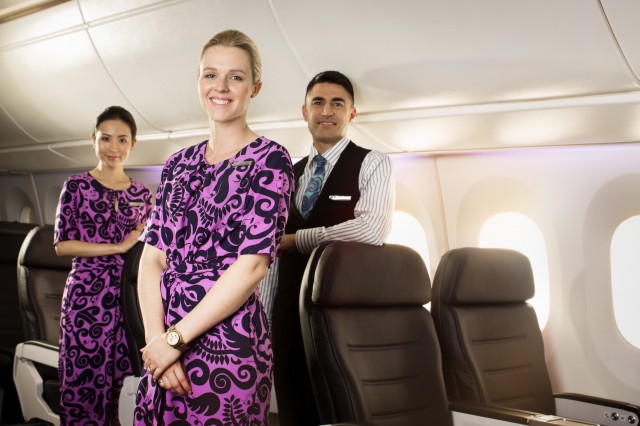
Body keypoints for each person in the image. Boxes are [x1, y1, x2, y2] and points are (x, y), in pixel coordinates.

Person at [133, 29, 294, 424]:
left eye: (235, 77)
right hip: (164, 347)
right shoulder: (176, 164)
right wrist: (158, 344)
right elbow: (152, 258)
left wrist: (175, 340)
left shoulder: (270, 161)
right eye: (210, 74)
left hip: (229, 349)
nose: (220, 87)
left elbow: (252, 266)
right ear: (198, 81)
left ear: (255, 87)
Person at [261, 70, 395, 426]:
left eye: (338, 103)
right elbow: (273, 255)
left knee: (338, 414)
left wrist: (300, 239)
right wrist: (265, 322)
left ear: (351, 114)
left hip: (344, 319)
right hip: (289, 317)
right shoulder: (289, 173)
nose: (327, 111)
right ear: (303, 111)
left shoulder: (373, 163)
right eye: (318, 102)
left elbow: (372, 229)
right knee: (293, 412)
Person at [54, 105, 153, 424]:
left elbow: (148, 250)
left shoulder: (142, 195)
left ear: (133, 144)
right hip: (85, 297)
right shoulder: (76, 187)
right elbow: (62, 245)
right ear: (92, 139)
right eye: (106, 138)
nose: (114, 147)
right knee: (83, 382)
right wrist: (118, 246)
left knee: (124, 385)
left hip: (127, 299)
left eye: (122, 139)